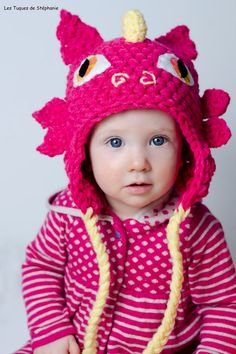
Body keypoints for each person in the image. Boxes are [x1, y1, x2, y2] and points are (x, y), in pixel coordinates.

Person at [15, 9, 236, 354]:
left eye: (159, 140)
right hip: (71, 343)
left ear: (187, 147)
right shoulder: (68, 213)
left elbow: (223, 307)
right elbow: (40, 268)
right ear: (84, 149)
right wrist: (52, 332)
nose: (138, 163)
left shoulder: (197, 229)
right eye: (115, 143)